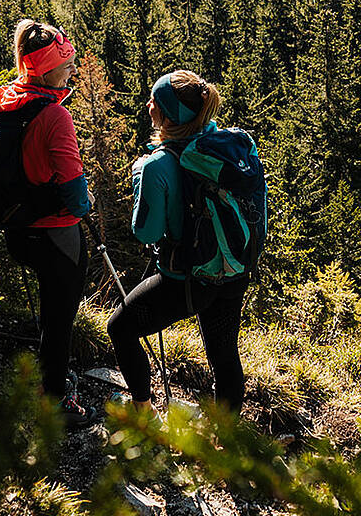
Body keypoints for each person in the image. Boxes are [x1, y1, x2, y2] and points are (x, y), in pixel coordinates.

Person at [106, 70, 265, 412]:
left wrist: (138, 178)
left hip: (187, 281)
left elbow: (146, 232)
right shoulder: (228, 147)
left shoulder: (158, 165)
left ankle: (143, 411)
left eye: (154, 101)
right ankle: (226, 444)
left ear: (165, 115)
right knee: (224, 355)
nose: (148, 104)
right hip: (234, 269)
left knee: (120, 327)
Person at [0, 19, 97, 426]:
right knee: (61, 320)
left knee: (49, 308)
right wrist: (86, 204)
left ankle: (47, 376)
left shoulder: (9, 96)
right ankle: (54, 402)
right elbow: (77, 198)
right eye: (67, 67)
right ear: (45, 70)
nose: (73, 71)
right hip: (55, 236)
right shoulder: (56, 118)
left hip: (17, 231)